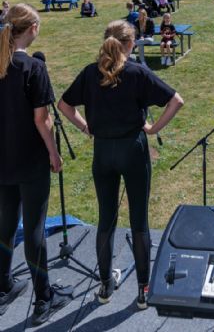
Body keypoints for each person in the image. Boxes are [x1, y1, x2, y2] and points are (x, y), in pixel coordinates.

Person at [58, 21, 183, 309]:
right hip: (133, 149)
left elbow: (65, 106)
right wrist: (152, 129)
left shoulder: (91, 73)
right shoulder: (137, 72)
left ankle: (105, 286)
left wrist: (86, 128)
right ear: (129, 44)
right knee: (139, 221)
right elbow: (176, 100)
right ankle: (143, 289)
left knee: (106, 219)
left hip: (103, 152)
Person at [0, 4, 74, 325]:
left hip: (2, 161)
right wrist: (54, 154)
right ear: (31, 29)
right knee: (33, 231)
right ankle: (44, 298)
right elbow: (42, 121)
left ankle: (4, 286)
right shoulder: (33, 68)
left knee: (5, 225)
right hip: (30, 161)